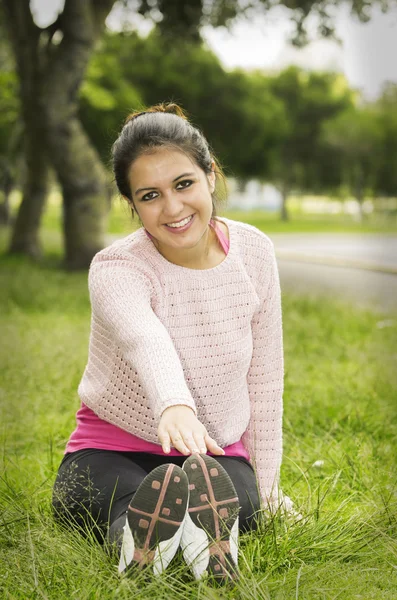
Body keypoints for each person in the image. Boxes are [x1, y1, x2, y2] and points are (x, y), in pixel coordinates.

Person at [52, 102, 288, 583]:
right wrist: (174, 405)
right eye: (150, 195)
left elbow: (264, 383)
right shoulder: (116, 268)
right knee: (100, 493)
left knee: (240, 500)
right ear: (132, 205)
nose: (174, 208)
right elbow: (144, 337)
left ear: (210, 174)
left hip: (214, 458)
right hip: (111, 450)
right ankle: (145, 539)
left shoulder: (255, 253)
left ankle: (200, 532)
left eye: (184, 184)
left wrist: (267, 495)